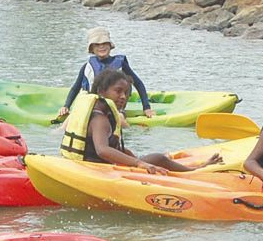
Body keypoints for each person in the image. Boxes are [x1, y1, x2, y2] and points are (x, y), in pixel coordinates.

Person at [59, 69, 220, 173]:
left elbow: (112, 148)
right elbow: (103, 150)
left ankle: (191, 168)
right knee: (159, 159)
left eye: (126, 93)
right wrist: (139, 163)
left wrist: (133, 158)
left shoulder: (102, 112)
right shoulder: (99, 118)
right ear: (101, 91)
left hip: (90, 167)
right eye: (118, 91)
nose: (123, 96)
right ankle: (195, 172)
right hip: (95, 172)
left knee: (158, 159)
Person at [57, 27, 154, 120]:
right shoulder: (87, 67)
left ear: (110, 45)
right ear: (92, 48)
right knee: (71, 119)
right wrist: (66, 106)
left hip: (116, 109)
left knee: (119, 118)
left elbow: (139, 84)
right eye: (97, 44)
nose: (101, 46)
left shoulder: (121, 65)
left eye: (104, 43)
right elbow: (75, 88)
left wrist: (146, 107)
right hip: (93, 107)